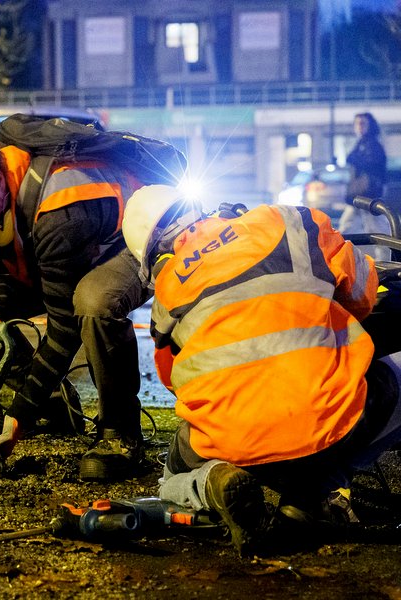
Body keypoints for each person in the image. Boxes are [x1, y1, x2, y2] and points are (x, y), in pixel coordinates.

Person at [120, 184, 401, 556]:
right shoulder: (286, 219)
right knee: (379, 382)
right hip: (326, 424)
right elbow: (362, 294)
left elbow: (180, 383)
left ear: (154, 262)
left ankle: (211, 483)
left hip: (235, 443)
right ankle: (308, 498)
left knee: (171, 479)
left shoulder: (168, 292)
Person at [0, 127, 153, 481]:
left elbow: (64, 330)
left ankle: (120, 433)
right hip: (64, 254)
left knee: (92, 302)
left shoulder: (62, 206)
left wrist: (18, 417)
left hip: (130, 246)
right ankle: (55, 404)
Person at [338, 112, 390, 261]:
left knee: (377, 230)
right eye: (357, 124)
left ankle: (387, 265)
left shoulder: (372, 145)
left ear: (370, 126)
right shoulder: (362, 143)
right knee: (346, 227)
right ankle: (339, 259)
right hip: (359, 195)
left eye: (363, 123)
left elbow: (374, 167)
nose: (359, 127)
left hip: (368, 195)